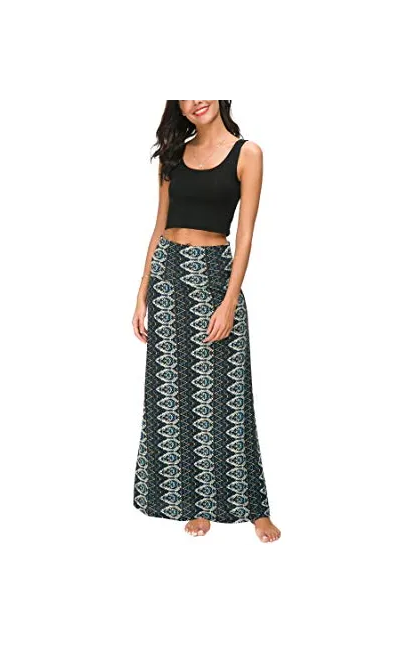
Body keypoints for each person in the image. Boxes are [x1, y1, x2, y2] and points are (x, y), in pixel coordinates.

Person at [132, 98, 281, 543]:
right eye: (185, 93)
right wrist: (142, 294)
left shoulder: (247, 153)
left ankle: (255, 509)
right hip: (168, 278)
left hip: (215, 276)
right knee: (173, 397)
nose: (196, 100)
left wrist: (229, 301)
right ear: (177, 105)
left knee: (229, 396)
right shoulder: (172, 154)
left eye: (204, 89)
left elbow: (246, 232)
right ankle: (195, 503)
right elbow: (159, 226)